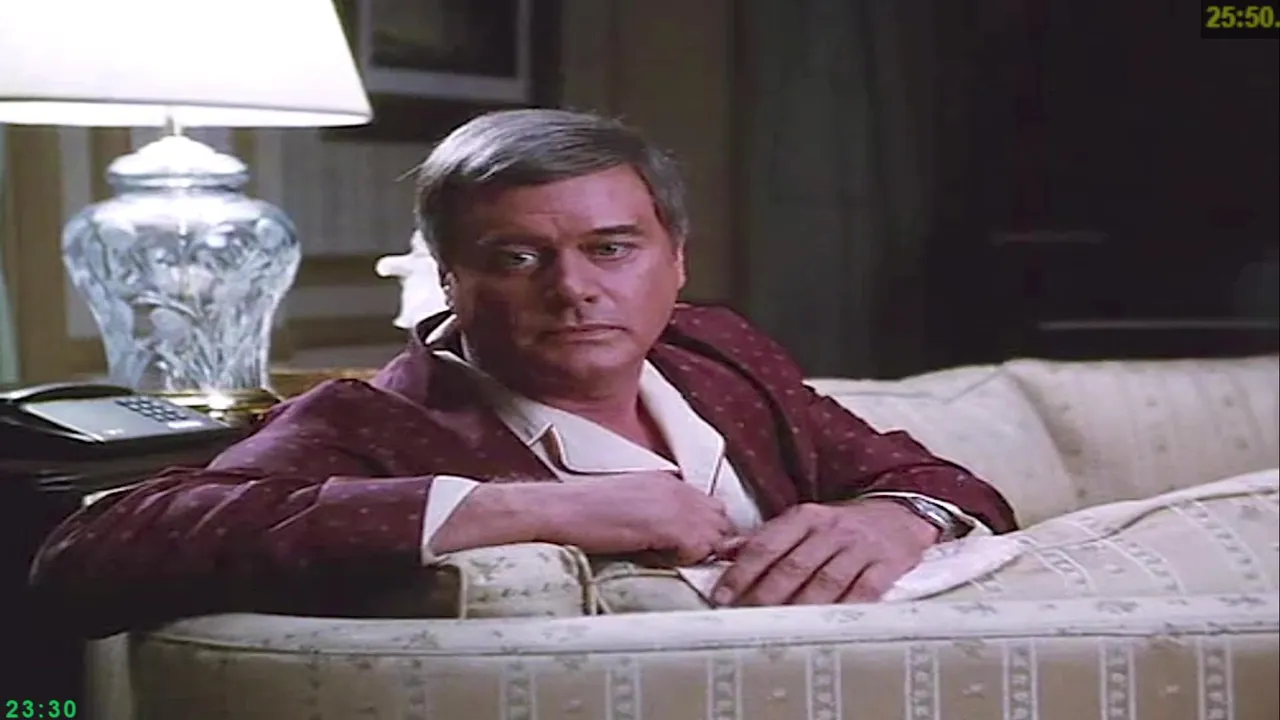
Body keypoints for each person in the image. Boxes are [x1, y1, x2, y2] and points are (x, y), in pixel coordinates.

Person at [30, 109, 1018, 638]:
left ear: (675, 261)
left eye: (611, 248)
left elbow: (942, 480)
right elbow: (85, 558)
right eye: (515, 257)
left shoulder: (717, 353)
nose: (573, 289)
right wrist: (531, 510)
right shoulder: (366, 420)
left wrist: (891, 519)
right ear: (448, 279)